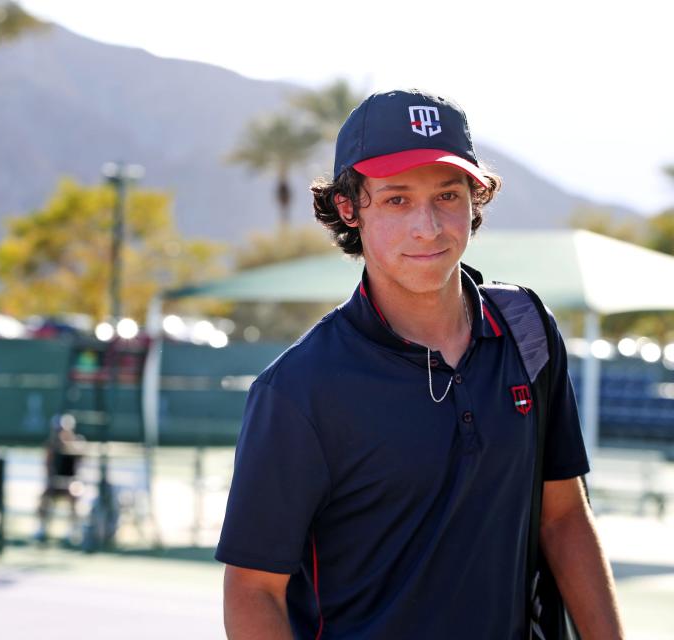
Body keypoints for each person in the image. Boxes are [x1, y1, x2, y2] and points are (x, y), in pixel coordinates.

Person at [215, 89, 624, 639]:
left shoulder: (527, 330)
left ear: (476, 200)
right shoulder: (297, 390)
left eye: (448, 196)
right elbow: (253, 590)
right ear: (348, 207)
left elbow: (564, 517)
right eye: (396, 200)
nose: (428, 227)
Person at [34, 413, 85, 543]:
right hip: (55, 484)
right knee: (45, 497)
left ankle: (73, 530)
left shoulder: (77, 443)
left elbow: (80, 461)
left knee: (74, 493)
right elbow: (48, 468)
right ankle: (41, 528)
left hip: (71, 484)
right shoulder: (51, 446)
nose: (60, 433)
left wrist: (68, 444)